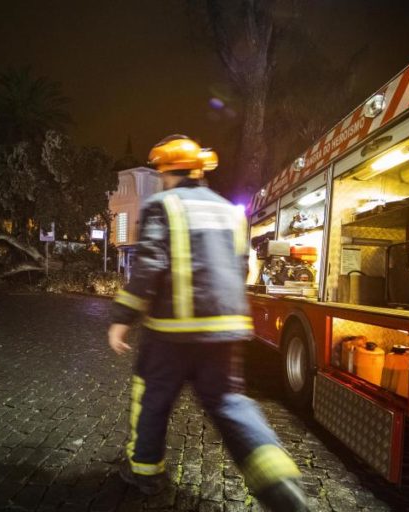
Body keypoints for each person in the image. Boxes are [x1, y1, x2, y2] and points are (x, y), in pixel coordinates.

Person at [107, 135, 309, 511]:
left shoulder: (162, 206)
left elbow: (149, 266)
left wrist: (122, 318)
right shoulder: (230, 212)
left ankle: (145, 471)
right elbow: (239, 267)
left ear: (166, 171)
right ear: (198, 171)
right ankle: (282, 484)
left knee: (151, 398)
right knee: (231, 404)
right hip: (225, 331)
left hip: (171, 332)